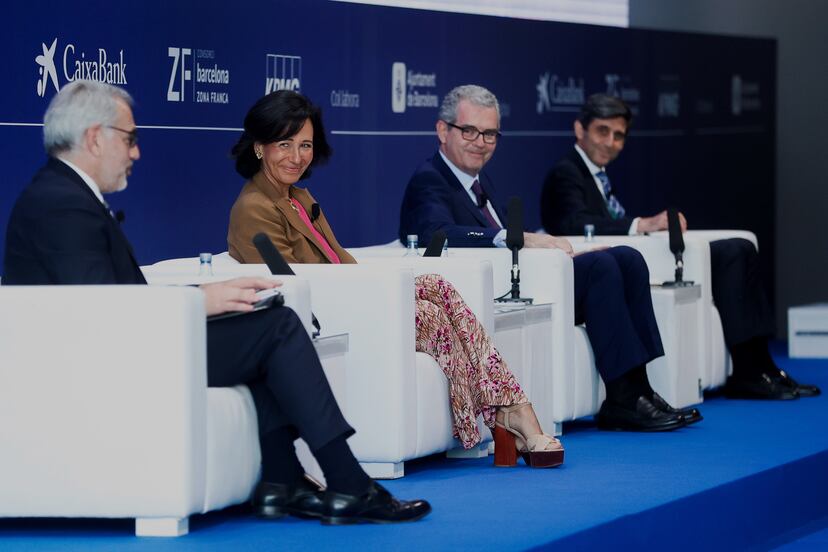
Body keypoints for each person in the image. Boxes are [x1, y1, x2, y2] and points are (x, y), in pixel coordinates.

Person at [2, 80, 430, 525]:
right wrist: (198, 300)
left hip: (117, 344)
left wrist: (208, 300)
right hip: (99, 360)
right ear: (95, 138)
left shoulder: (64, 195)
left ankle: (283, 480)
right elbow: (103, 311)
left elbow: (109, 302)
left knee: (266, 323)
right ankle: (346, 482)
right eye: (130, 139)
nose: (136, 153)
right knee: (277, 329)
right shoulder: (61, 204)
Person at [226, 90, 563, 468]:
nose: (296, 156)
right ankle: (512, 414)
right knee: (431, 314)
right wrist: (376, 293)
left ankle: (509, 412)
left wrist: (380, 287)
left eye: (305, 145)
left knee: (437, 286)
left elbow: (340, 261)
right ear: (259, 147)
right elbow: (292, 285)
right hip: (326, 313)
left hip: (351, 295)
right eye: (284, 144)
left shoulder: (299, 198)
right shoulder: (254, 208)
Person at [400, 84, 702, 432]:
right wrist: (513, 237)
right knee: (602, 268)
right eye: (469, 131)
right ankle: (623, 399)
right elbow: (434, 232)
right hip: (484, 292)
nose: (480, 142)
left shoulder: (480, 182)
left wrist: (555, 249)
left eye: (490, 134)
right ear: (443, 130)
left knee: (627, 259)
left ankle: (641, 389)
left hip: (523, 279)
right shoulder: (430, 179)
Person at [541, 93, 820, 401]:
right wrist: (641, 224)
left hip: (635, 252)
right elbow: (572, 222)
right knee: (729, 255)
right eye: (602, 131)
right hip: (611, 259)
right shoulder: (566, 172)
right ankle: (749, 371)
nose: (610, 143)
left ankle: (759, 364)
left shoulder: (598, 174)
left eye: (619, 136)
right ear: (579, 129)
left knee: (740, 248)